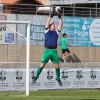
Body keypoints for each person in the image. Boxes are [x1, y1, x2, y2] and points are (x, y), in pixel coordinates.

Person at [32, 8, 63, 86]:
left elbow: (60, 24)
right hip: (47, 50)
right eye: (52, 25)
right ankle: (36, 77)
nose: (54, 25)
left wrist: (59, 16)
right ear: (49, 27)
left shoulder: (56, 32)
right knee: (42, 65)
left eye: (54, 25)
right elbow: (47, 22)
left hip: (54, 51)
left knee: (57, 66)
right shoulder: (47, 31)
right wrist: (51, 15)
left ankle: (58, 78)